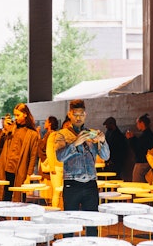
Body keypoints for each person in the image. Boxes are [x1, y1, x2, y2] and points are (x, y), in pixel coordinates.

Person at [55, 99, 110, 236]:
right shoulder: (62, 134)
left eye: (81, 114)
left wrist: (103, 141)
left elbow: (106, 156)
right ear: (70, 115)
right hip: (72, 184)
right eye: (75, 114)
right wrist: (75, 144)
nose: (78, 117)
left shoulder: (91, 134)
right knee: (69, 225)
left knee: (92, 225)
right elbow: (60, 157)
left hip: (91, 184)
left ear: (85, 115)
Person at [0, 103, 39, 202]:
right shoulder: (11, 128)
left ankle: (18, 217)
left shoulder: (32, 134)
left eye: (18, 115)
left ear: (25, 114)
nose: (16, 118)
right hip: (6, 167)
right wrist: (5, 129)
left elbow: (33, 156)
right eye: (15, 115)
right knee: (4, 196)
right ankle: (3, 216)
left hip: (20, 169)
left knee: (19, 198)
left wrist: (29, 175)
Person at [125, 113, 153, 183]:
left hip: (141, 163)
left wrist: (131, 139)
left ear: (142, 123)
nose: (137, 125)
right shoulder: (150, 134)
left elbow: (138, 149)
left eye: (137, 123)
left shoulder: (145, 136)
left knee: (137, 185)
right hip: (148, 162)